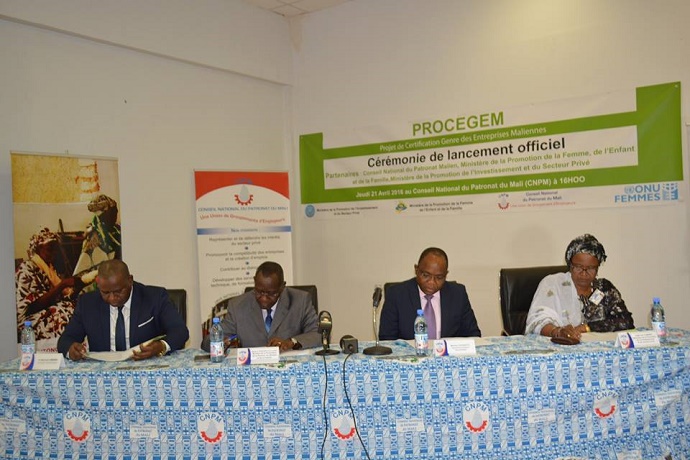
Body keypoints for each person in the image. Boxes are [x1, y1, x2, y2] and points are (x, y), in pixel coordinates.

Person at [57, 259, 189, 360]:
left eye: (118, 291)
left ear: (130, 280)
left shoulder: (154, 297)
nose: (112, 298)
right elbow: (66, 339)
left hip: (145, 367)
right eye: (105, 292)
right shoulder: (87, 303)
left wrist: (161, 346)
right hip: (103, 373)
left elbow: (180, 331)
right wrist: (70, 349)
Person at [525, 233, 635, 340]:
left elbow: (625, 321)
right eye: (578, 267)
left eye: (591, 268)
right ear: (570, 265)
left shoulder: (604, 288)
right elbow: (537, 320)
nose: (584, 273)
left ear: (597, 268)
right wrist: (557, 332)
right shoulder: (552, 284)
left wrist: (587, 328)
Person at [201, 261, 320, 352]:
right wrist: (218, 342)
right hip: (251, 371)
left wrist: (291, 342)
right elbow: (208, 341)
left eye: (271, 294)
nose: (264, 298)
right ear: (254, 282)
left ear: (282, 287)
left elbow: (318, 334)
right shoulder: (238, 306)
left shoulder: (300, 301)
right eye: (259, 292)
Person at [378, 247, 481, 340]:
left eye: (439, 277)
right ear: (416, 270)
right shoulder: (396, 295)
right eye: (426, 275)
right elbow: (387, 340)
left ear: (446, 275)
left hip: (447, 354)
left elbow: (473, 335)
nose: (432, 282)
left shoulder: (458, 294)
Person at [16, 227, 85, 343]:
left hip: (46, 310)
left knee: (79, 308)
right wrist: (62, 285)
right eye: (49, 250)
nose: (54, 253)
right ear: (38, 249)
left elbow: (61, 296)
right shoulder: (27, 269)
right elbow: (31, 308)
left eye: (55, 250)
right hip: (30, 321)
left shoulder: (49, 269)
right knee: (62, 318)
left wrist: (78, 287)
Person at [73, 194, 122, 285]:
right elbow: (86, 266)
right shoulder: (93, 235)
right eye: (112, 212)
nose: (115, 215)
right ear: (103, 215)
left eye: (116, 211)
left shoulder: (117, 229)